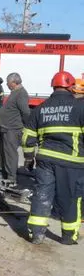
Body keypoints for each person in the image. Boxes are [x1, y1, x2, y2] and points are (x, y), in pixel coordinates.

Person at [22, 71, 84, 245]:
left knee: (42, 194)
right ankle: (68, 236)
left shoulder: (41, 108)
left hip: (45, 160)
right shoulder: (80, 107)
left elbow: (27, 137)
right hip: (71, 162)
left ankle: (36, 233)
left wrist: (28, 158)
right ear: (71, 86)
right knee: (70, 198)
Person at [0, 73, 30, 185]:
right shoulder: (15, 93)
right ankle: (5, 174)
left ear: (14, 82)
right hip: (7, 128)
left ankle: (11, 179)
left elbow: (25, 112)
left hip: (13, 129)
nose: (6, 84)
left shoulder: (20, 94)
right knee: (5, 153)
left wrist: (26, 126)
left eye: (8, 82)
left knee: (10, 154)